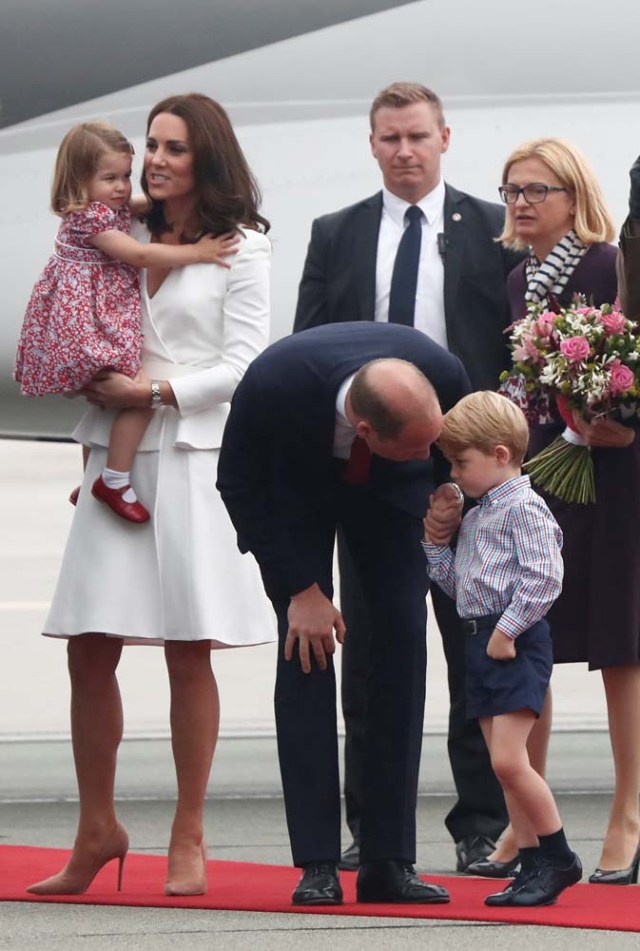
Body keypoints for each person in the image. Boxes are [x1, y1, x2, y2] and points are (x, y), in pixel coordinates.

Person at [26, 93, 276, 898]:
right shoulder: (117, 228)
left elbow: (244, 365)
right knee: (88, 646)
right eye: (151, 147)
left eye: (173, 148)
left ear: (206, 155)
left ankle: (189, 829)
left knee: (186, 647)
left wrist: (158, 396)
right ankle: (97, 827)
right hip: (115, 454)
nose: (157, 160)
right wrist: (105, 403)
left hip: (191, 453)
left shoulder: (243, 246)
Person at [293, 81, 522, 873]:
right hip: (371, 472)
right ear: (372, 143)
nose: (404, 150)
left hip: (469, 471)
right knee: (379, 660)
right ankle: (375, 826)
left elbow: (513, 349)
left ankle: (478, 823)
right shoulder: (337, 234)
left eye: (417, 136)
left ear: (445, 138)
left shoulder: (494, 232)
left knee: (476, 653)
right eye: (390, 137)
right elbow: (308, 350)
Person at [217, 320, 470, 906]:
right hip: (295, 492)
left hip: (391, 493)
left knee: (399, 650)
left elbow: (458, 452)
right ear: (363, 429)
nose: (429, 451)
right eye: (418, 445)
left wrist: (448, 493)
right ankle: (318, 863)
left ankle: (388, 860)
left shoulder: (438, 369)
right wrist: (299, 589)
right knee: (306, 654)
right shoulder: (274, 384)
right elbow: (238, 484)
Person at [494, 138, 639, 886]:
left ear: (573, 193)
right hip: (549, 467)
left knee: (620, 640)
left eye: (537, 189)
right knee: (532, 630)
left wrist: (624, 418)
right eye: (512, 189)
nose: (520, 202)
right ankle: (529, 814)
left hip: (615, 466)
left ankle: (630, 811)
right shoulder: (520, 275)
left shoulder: (606, 262)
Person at [14, 120, 236, 523]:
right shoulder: (92, 219)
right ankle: (113, 480)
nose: (122, 188)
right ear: (80, 181)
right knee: (138, 394)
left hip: (86, 320)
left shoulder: (102, 206)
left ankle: (93, 474)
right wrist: (197, 253)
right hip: (88, 324)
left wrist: (169, 198)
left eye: (126, 176)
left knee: (102, 404)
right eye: (110, 178)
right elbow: (138, 256)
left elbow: (142, 204)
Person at [422, 390, 582, 907]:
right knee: (500, 764)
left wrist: (508, 629)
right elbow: (460, 585)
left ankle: (557, 858)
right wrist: (434, 545)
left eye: (461, 461)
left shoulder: (525, 508)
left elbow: (545, 576)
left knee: (512, 762)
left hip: (511, 643)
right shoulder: (477, 514)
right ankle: (533, 862)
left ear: (499, 454)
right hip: (481, 639)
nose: (455, 472)